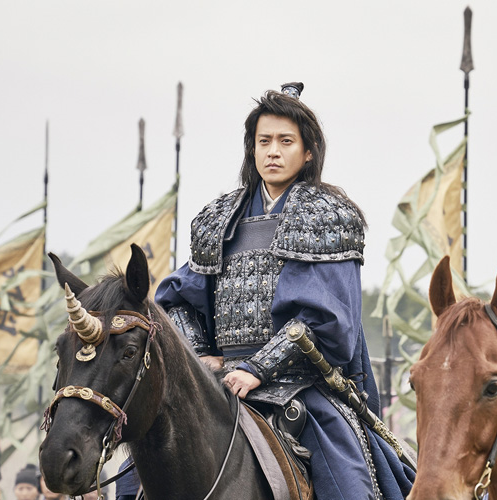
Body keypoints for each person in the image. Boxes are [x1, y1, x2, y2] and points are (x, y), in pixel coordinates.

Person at [156, 83, 414, 500]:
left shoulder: (328, 218)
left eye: (285, 141)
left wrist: (257, 368)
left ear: (308, 151)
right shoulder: (218, 219)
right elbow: (177, 300)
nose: (273, 152)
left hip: (302, 386)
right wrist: (200, 355)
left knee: (351, 488)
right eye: (264, 142)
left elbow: (324, 321)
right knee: (137, 470)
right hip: (219, 381)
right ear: (252, 149)